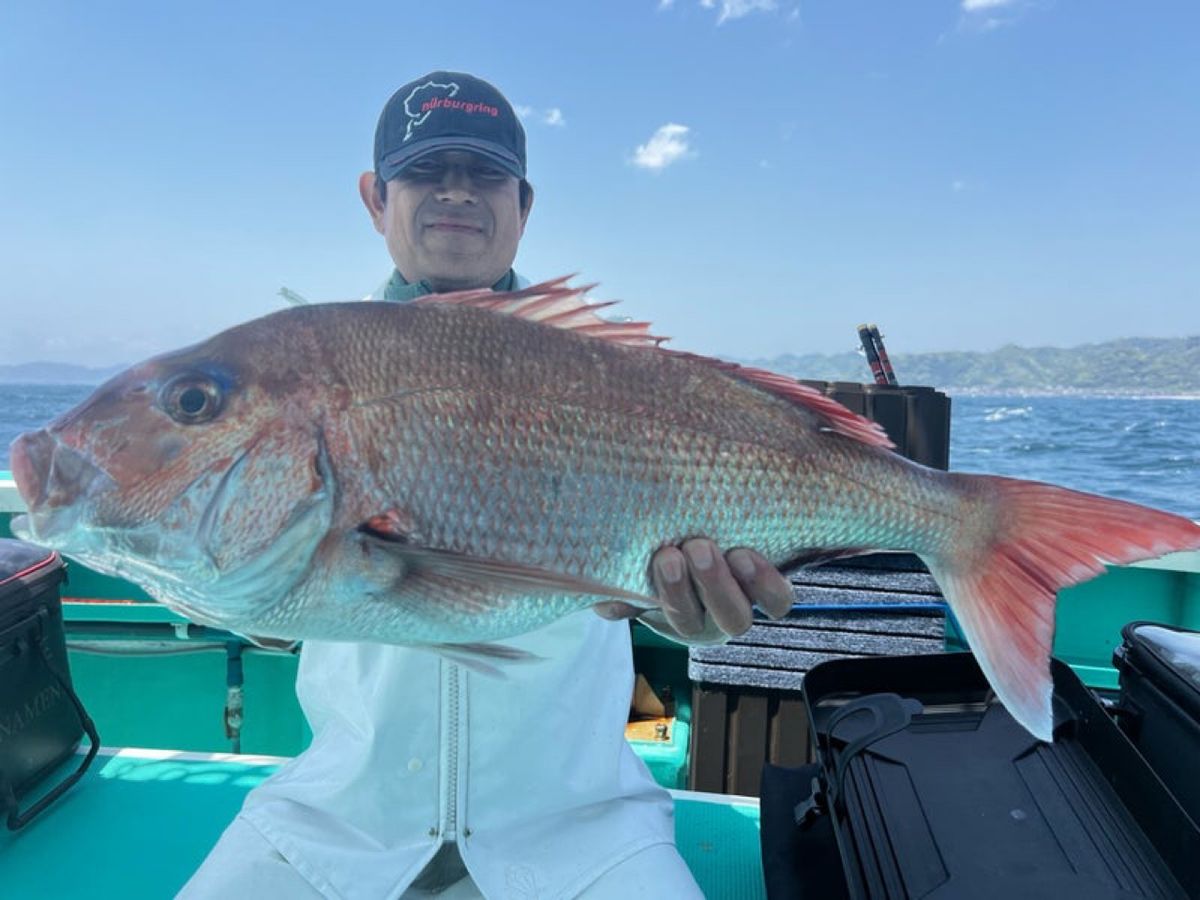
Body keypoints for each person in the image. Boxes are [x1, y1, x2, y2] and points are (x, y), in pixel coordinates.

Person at [180, 71, 793, 900]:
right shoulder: (301, 371)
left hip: (586, 830)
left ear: (524, 203)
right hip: (335, 826)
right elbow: (282, 618)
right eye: (428, 170)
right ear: (375, 196)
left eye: (485, 173)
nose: (457, 193)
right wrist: (216, 572)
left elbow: (660, 591)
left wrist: (685, 612)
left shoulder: (614, 376)